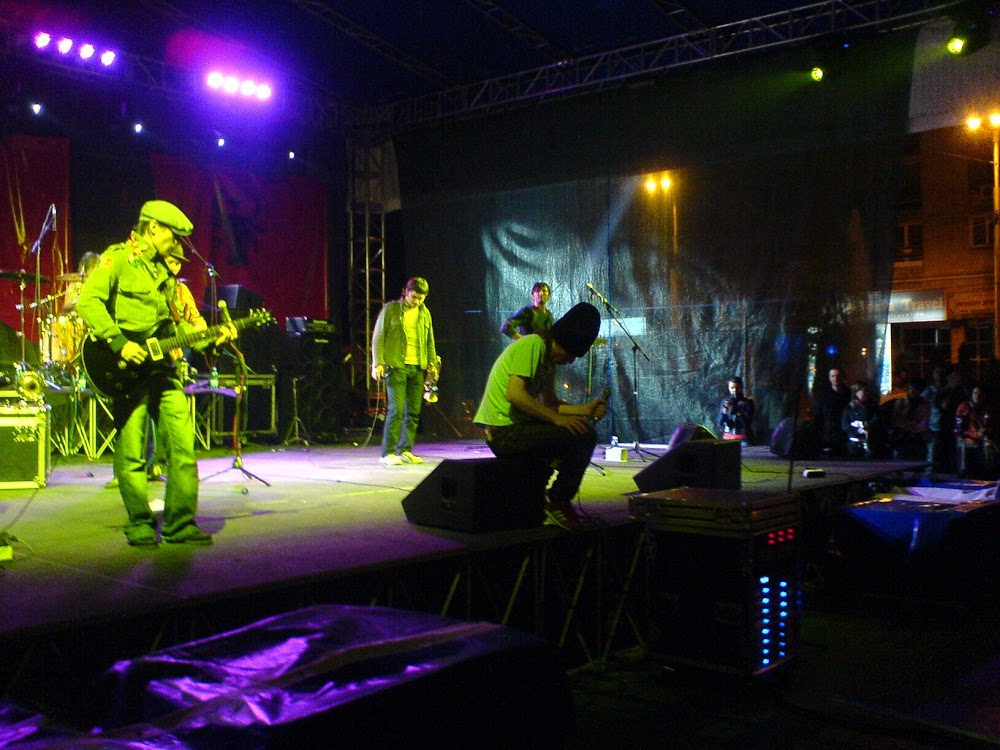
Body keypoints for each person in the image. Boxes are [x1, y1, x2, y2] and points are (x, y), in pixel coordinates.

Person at [76, 200, 235, 547]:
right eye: (173, 235)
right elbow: (88, 301)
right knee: (132, 451)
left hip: (163, 367)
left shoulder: (165, 273)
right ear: (152, 228)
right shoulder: (119, 258)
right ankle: (139, 522)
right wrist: (118, 342)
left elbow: (174, 326)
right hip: (126, 368)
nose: (176, 243)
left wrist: (211, 337)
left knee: (182, 445)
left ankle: (180, 524)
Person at [474, 301, 608, 532]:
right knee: (583, 437)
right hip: (503, 432)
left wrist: (585, 410)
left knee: (578, 430)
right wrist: (558, 420)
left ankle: (539, 498)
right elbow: (515, 394)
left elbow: (551, 404)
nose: (571, 361)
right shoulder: (533, 345)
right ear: (562, 342)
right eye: (571, 354)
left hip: (518, 428)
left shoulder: (547, 359)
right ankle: (558, 501)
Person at [371, 277, 438, 466]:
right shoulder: (391, 309)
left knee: (414, 411)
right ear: (405, 292)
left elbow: (430, 340)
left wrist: (432, 363)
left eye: (421, 298)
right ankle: (388, 453)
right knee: (396, 409)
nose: (416, 301)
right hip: (396, 367)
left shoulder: (425, 313)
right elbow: (378, 337)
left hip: (417, 367)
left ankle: (405, 450)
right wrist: (377, 363)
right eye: (414, 297)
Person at [954, 385, 995, 479]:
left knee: (981, 471)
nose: (977, 396)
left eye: (980, 394)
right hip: (966, 444)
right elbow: (958, 427)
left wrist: (986, 431)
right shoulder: (965, 406)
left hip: (980, 444)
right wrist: (970, 434)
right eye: (975, 393)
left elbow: (989, 425)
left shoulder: (986, 408)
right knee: (964, 471)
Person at [888, 376, 930, 461]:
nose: (912, 391)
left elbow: (924, 421)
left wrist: (912, 427)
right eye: (911, 388)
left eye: (916, 389)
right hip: (903, 438)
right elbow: (897, 419)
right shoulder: (901, 402)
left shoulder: (925, 404)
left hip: (918, 439)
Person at [812, 366, 851, 457]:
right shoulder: (823, 396)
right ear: (829, 378)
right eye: (833, 376)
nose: (835, 378)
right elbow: (818, 416)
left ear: (842, 377)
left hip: (844, 433)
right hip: (828, 433)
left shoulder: (849, 394)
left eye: (838, 376)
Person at [842, 379, 880, 459]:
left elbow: (876, 420)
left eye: (867, 391)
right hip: (853, 445)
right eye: (864, 391)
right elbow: (845, 425)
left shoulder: (872, 407)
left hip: (869, 444)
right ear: (857, 392)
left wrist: (864, 425)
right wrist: (857, 430)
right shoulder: (849, 408)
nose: (866, 393)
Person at [718, 376, 755, 443]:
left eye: (737, 388)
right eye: (732, 388)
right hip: (728, 437)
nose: (734, 390)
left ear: (741, 388)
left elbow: (747, 424)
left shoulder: (748, 403)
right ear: (729, 388)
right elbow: (720, 422)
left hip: (743, 438)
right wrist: (724, 411)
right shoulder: (725, 402)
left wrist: (738, 412)